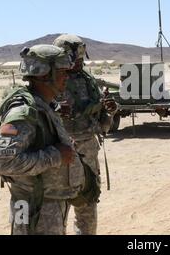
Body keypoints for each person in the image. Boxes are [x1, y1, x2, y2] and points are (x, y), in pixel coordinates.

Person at [0, 44, 85, 235]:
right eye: (62, 72)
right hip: (36, 208)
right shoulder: (24, 112)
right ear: (43, 75)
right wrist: (56, 155)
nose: (67, 77)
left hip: (45, 205)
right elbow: (4, 161)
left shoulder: (44, 105)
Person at [53, 34, 117, 235]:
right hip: (58, 151)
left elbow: (102, 122)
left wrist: (109, 110)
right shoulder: (50, 80)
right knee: (57, 208)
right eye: (76, 56)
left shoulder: (87, 80)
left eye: (82, 56)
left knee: (87, 204)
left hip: (88, 149)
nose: (80, 60)